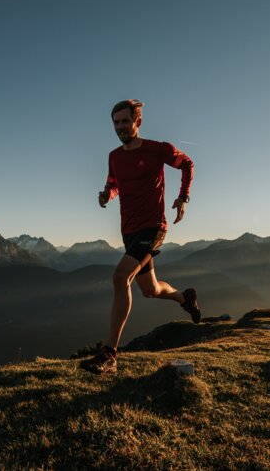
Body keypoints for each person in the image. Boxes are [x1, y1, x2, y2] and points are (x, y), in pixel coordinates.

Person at [80, 99, 200, 375]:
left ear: (138, 122)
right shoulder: (114, 156)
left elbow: (187, 164)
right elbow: (113, 184)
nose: (120, 127)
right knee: (150, 290)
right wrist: (106, 195)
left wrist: (183, 197)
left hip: (154, 226)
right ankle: (185, 298)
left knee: (121, 277)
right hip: (129, 230)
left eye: (125, 121)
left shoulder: (159, 149)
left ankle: (110, 354)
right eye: (116, 123)